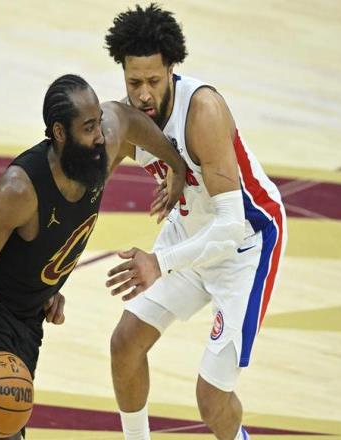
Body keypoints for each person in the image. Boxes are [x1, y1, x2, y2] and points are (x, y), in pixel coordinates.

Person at [0, 73, 186, 440]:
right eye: (88, 128)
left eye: (98, 123)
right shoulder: (19, 189)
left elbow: (128, 118)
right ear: (59, 132)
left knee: (3, 433)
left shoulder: (100, 150)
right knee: (0, 432)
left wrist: (175, 164)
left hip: (30, 313)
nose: (100, 135)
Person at [105, 4, 287, 440]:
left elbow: (229, 226)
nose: (143, 95)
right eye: (134, 83)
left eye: (153, 81)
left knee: (211, 398)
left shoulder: (203, 110)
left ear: (171, 69)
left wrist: (159, 262)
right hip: (190, 234)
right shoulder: (123, 122)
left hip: (245, 244)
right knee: (125, 344)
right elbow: (82, 199)